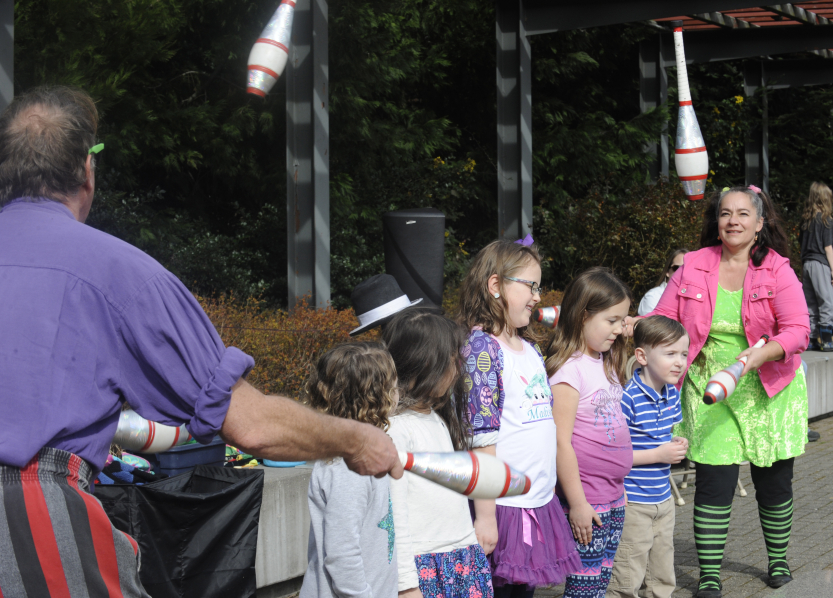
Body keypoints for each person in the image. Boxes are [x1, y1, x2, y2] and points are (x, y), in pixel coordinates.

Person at [0, 86, 401, 594]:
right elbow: (250, 425)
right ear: (87, 171)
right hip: (31, 519)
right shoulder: (120, 273)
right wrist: (355, 437)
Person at [626, 186, 810, 597]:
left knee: (774, 480)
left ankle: (778, 561)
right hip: (709, 385)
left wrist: (758, 358)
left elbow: (798, 330)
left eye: (743, 214)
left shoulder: (778, 269)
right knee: (714, 480)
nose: (733, 221)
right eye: (726, 213)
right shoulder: (693, 265)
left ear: (760, 224)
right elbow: (663, 317)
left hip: (768, 385)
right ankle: (710, 574)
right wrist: (632, 323)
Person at [457, 239, 581, 598]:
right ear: (495, 286)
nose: (537, 297)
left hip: (536, 501)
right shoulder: (481, 349)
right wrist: (485, 516)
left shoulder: (531, 348)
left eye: (538, 287)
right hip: (502, 507)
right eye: (530, 286)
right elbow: (481, 439)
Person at [382, 308, 493, 598]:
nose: (459, 368)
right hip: (424, 567)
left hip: (461, 559)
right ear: (426, 365)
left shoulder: (437, 417)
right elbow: (395, 516)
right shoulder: (396, 430)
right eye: (452, 360)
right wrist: (406, 584)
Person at [545, 267, 634, 598]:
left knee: (600, 582)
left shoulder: (606, 362)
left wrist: (618, 485)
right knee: (584, 587)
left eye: (622, 320)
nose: (619, 329)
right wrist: (579, 503)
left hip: (612, 497)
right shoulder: (569, 371)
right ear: (583, 316)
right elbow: (560, 442)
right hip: (588, 501)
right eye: (611, 320)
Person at [300, 343, 399, 598]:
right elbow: (341, 553)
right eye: (394, 385)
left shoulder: (365, 457)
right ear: (380, 395)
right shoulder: (348, 470)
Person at [606, 316, 689, 598]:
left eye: (683, 354)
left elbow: (664, 436)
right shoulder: (627, 398)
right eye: (670, 354)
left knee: (663, 572)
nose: (679, 362)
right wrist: (659, 453)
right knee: (628, 573)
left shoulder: (672, 394)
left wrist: (676, 443)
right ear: (642, 356)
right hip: (634, 502)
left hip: (663, 498)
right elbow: (614, 456)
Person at [799, 182, 833, 351]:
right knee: (826, 300)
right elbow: (828, 247)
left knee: (810, 303)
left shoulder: (805, 221)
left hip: (807, 264)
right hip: (820, 263)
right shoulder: (826, 220)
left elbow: (801, 244)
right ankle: (827, 340)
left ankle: (811, 339)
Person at [638, 248, 689, 316]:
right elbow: (652, 325)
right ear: (667, 272)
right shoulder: (653, 297)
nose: (682, 273)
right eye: (677, 268)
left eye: (688, 269)